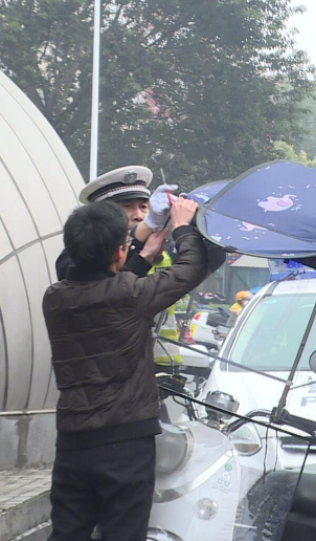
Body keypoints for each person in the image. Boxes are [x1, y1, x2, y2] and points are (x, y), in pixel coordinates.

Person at [42, 197, 208, 540]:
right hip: (128, 444)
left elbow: (105, 291)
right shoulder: (132, 295)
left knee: (67, 533)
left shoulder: (54, 299)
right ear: (119, 252)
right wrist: (182, 229)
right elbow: (191, 268)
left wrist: (141, 257)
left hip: (73, 444)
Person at [55, 165, 178, 281]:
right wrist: (141, 245)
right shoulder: (79, 253)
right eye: (126, 206)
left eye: (143, 207)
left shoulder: (159, 244)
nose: (139, 216)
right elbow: (106, 291)